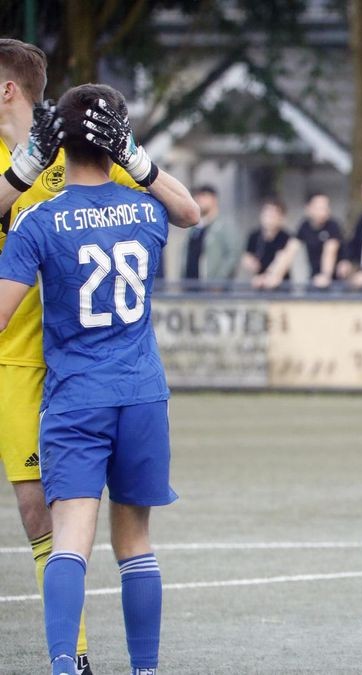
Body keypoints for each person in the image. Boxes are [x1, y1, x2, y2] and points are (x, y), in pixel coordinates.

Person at [0, 39, 198, 675]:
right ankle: (139, 668)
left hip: (73, 389)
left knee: (70, 542)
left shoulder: (39, 219)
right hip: (138, 389)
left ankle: (66, 666)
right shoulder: (144, 210)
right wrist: (135, 161)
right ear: (118, 145)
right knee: (133, 543)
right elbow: (188, 209)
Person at [182, 185, 241, 289]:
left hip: (214, 292)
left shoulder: (224, 226)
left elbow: (233, 254)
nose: (199, 199)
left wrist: (219, 281)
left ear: (214, 199)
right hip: (190, 289)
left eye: (204, 196)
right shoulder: (194, 228)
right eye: (197, 196)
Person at [241, 197, 297, 290]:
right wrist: (250, 263)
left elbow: (282, 260)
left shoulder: (286, 237)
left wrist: (268, 276)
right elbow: (247, 255)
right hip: (259, 285)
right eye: (266, 213)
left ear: (281, 218)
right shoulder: (254, 235)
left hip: (281, 285)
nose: (269, 217)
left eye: (273, 214)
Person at [295, 192, 342, 288]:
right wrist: (274, 275)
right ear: (308, 208)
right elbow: (290, 248)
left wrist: (325, 275)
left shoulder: (333, 226)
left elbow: (330, 251)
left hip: (335, 280)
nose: (323, 211)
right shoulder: (304, 226)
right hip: (314, 277)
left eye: (326, 207)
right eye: (319, 208)